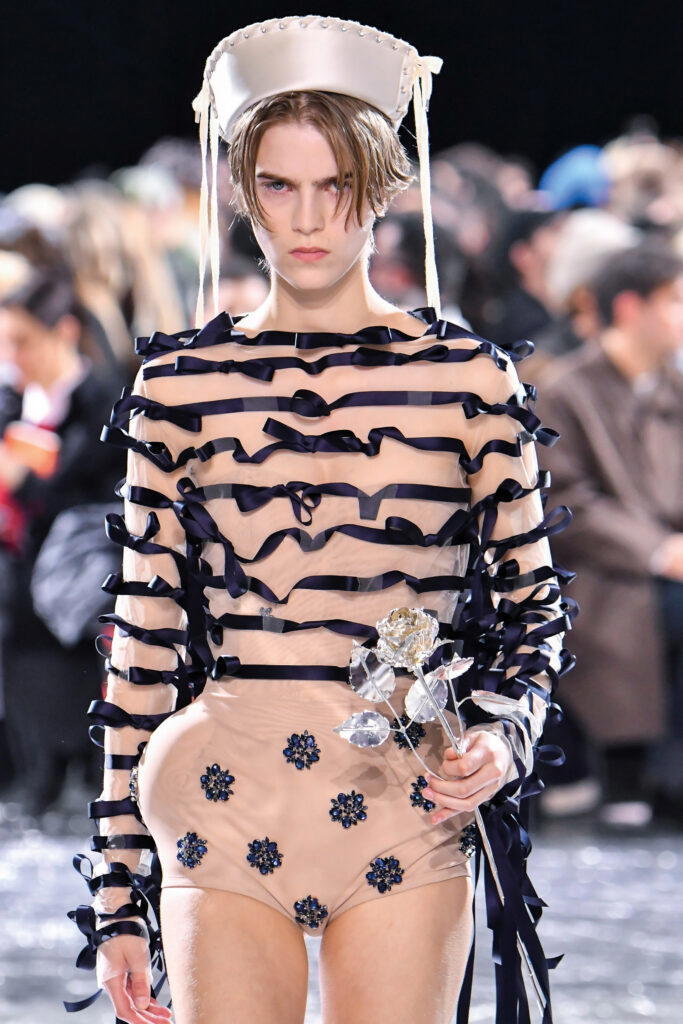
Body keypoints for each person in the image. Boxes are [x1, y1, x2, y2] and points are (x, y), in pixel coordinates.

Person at [64, 15, 576, 1024]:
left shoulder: (470, 380)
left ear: (381, 189)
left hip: (405, 803)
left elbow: (533, 608)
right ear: (241, 192)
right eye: (278, 186)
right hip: (217, 793)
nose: (308, 219)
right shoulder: (179, 386)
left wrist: (503, 733)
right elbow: (143, 644)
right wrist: (116, 893)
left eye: (335, 185)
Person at [534, 241, 683, 830]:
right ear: (629, 307)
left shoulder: (671, 386)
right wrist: (658, 550)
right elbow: (565, 502)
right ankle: (640, 776)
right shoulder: (566, 390)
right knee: (656, 609)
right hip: (601, 568)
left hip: (663, 561)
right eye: (674, 300)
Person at [0, 258, 126, 813]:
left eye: (23, 342)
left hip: (87, 585)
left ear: (64, 332)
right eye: (7, 343)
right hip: (22, 587)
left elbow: (103, 496)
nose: (14, 357)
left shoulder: (105, 402)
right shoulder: (11, 404)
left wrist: (30, 479)